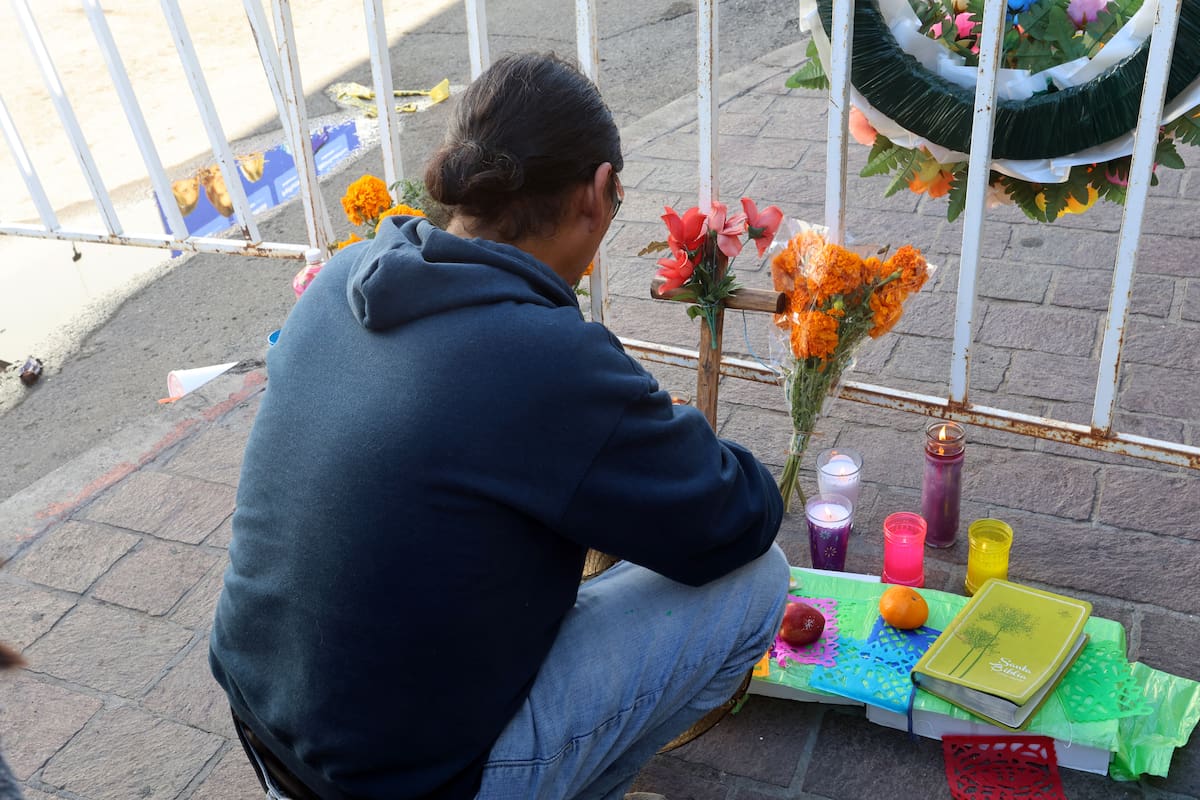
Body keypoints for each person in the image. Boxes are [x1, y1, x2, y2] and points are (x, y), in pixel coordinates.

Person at [210, 52, 789, 800]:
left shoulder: (347, 275)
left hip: (267, 725)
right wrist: (662, 427)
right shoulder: (547, 359)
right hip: (404, 784)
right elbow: (740, 516)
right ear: (599, 193)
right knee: (757, 583)